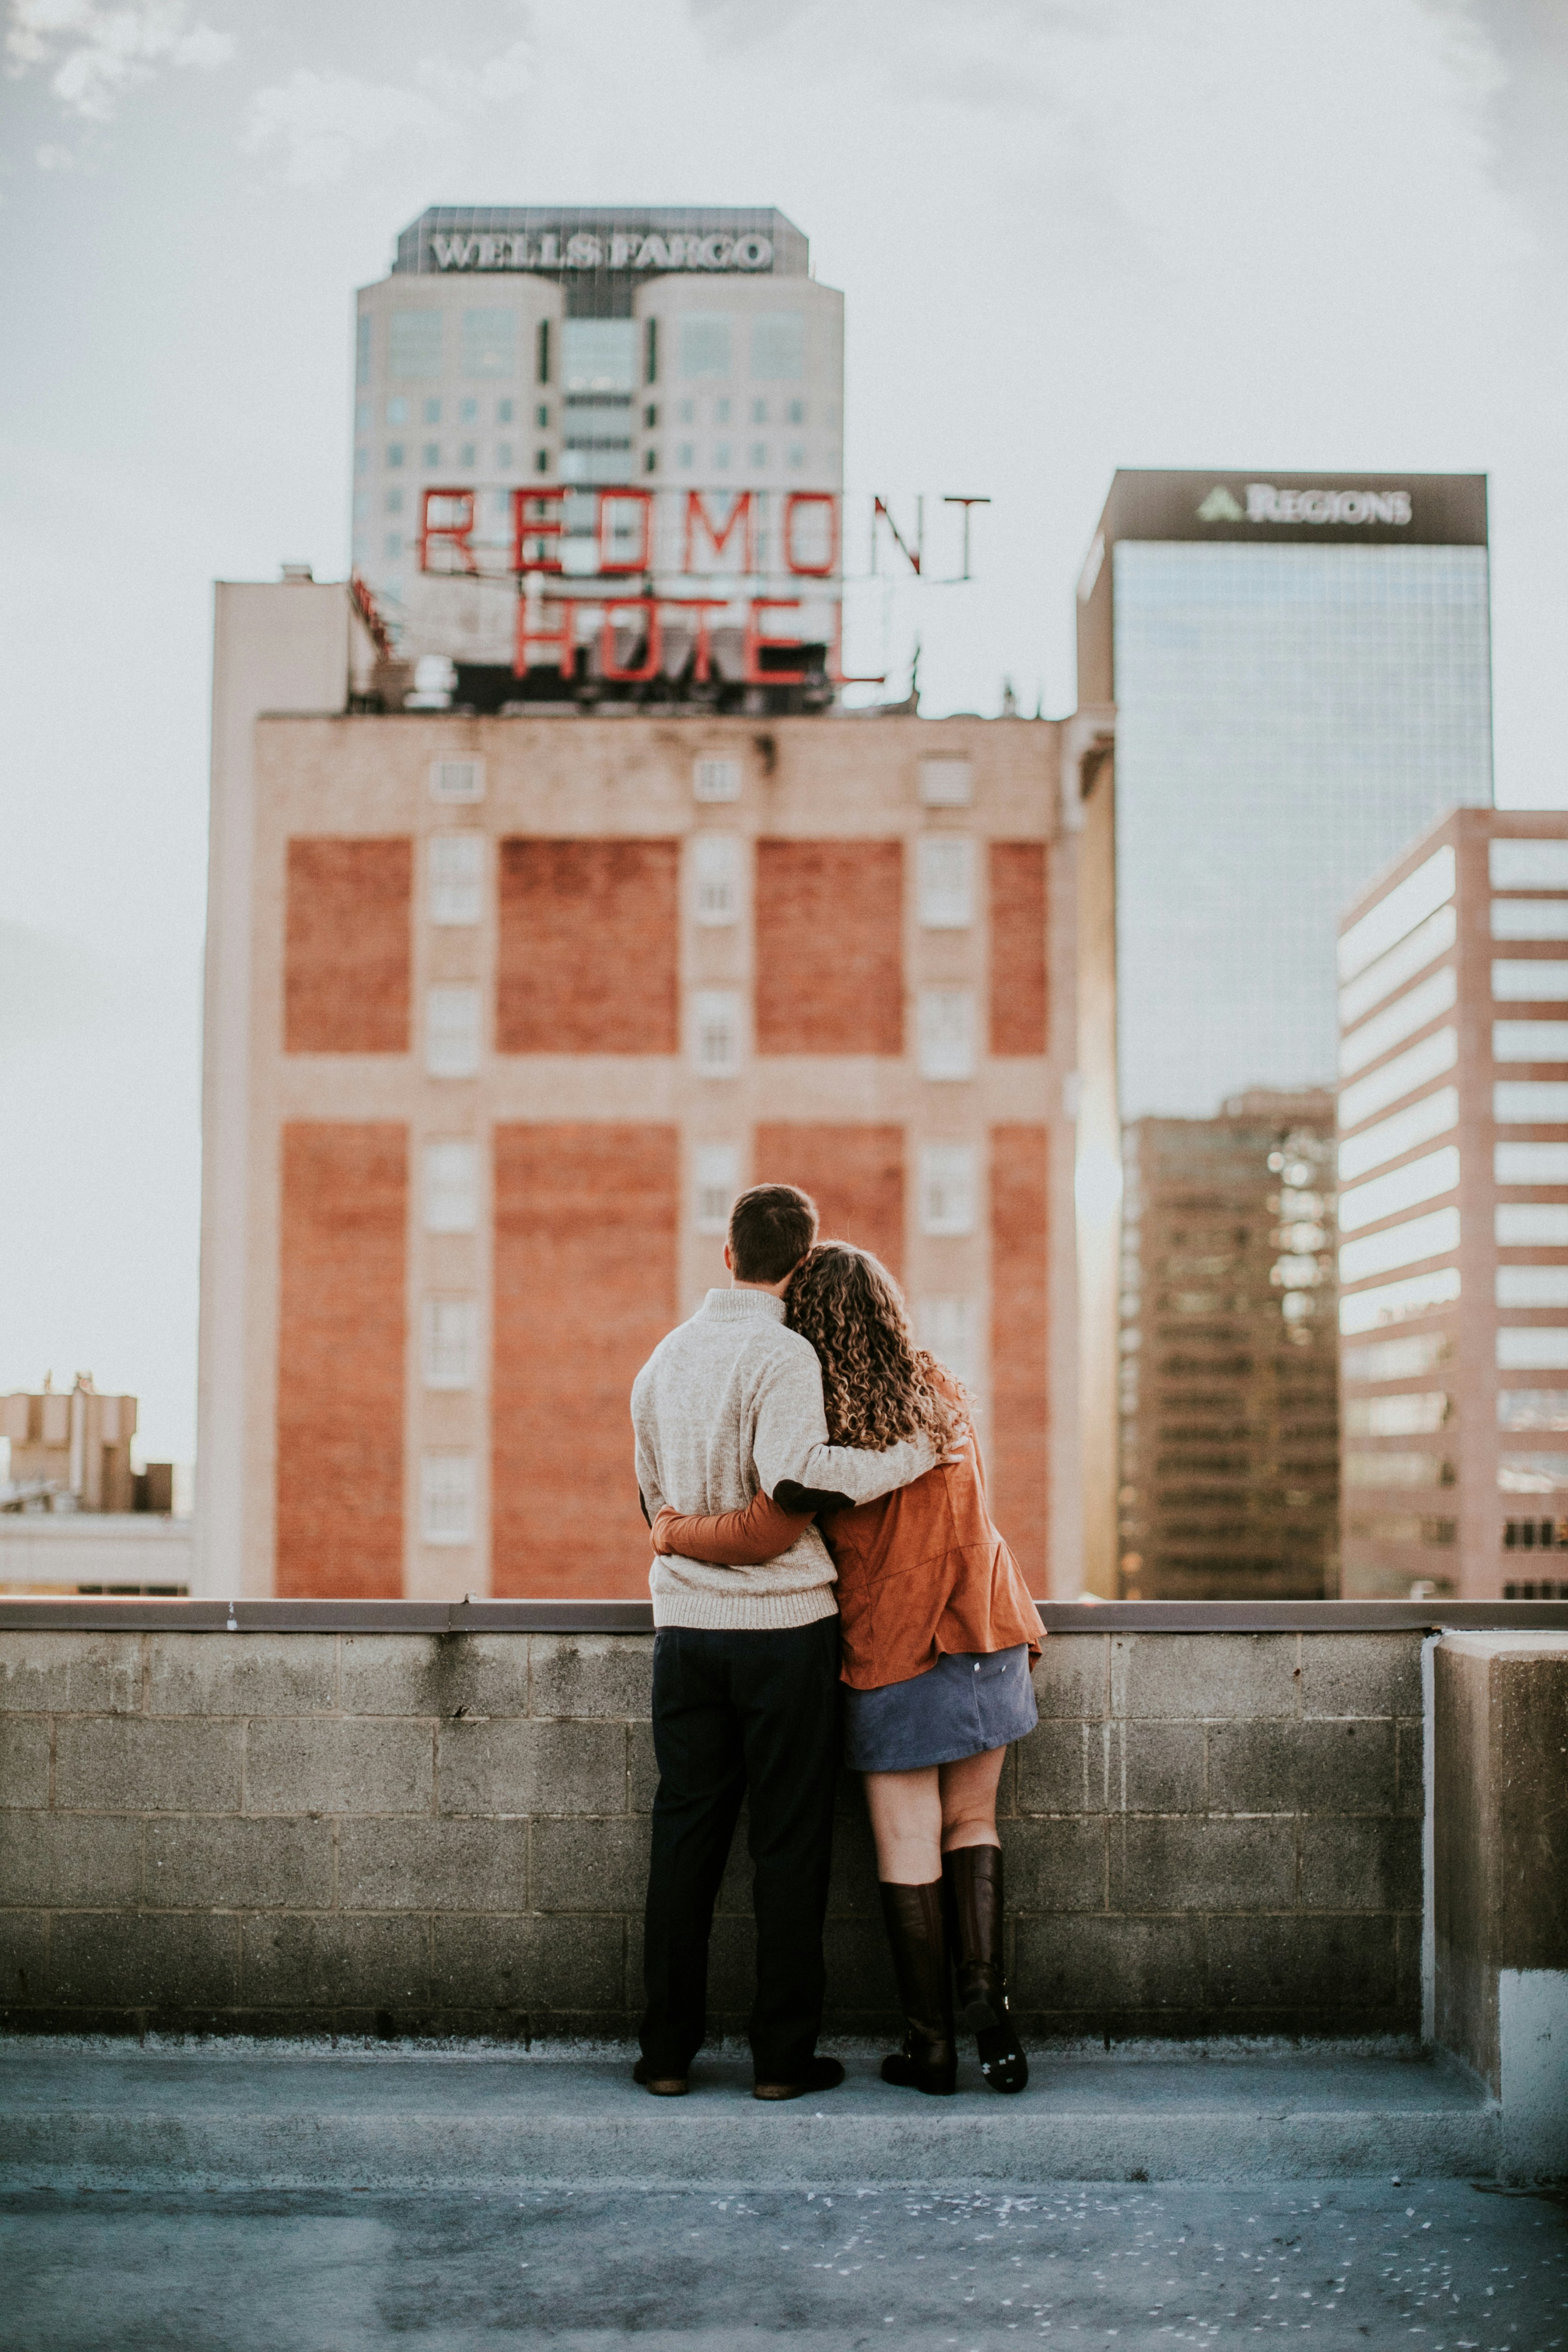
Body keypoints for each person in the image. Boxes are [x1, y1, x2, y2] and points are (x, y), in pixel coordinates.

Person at [651, 1241, 1042, 2098]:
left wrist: (673, 1532)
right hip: (988, 1628)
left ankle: (931, 2049)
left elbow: (772, 1519)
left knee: (908, 1843)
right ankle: (985, 1989)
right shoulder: (940, 1395)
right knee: (973, 1822)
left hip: (891, 1649)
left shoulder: (822, 1421)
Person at [630, 1185, 938, 2104]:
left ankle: (666, 2055)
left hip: (684, 1634)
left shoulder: (661, 1361)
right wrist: (907, 1457)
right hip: (783, 1632)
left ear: (726, 1256)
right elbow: (798, 1478)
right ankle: (779, 2061)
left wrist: (686, 1541)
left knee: (684, 1841)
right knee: (789, 1847)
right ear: (802, 1267)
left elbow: (654, 1508)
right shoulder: (787, 1353)